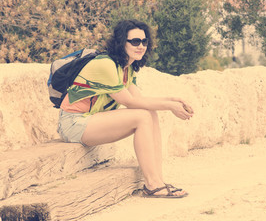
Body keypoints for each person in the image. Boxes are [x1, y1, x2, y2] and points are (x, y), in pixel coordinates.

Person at [57, 19, 193, 198]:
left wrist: (173, 99)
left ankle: (157, 180)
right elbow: (130, 102)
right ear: (122, 43)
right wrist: (169, 106)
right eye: (135, 41)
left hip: (90, 121)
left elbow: (140, 100)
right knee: (142, 117)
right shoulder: (106, 64)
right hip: (73, 123)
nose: (141, 46)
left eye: (144, 42)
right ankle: (152, 184)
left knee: (150, 113)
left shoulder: (126, 68)